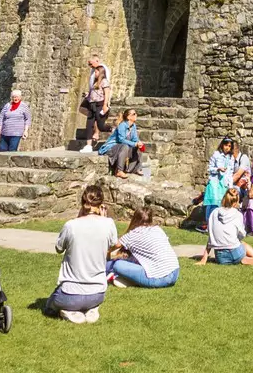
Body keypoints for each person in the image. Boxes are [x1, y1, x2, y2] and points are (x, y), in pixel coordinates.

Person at [48, 183, 117, 323]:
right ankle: (90, 308)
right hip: (98, 293)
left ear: (82, 203)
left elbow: (59, 248)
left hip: (70, 293)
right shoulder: (109, 223)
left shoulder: (71, 225)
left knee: (48, 306)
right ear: (101, 204)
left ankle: (71, 310)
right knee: (86, 300)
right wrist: (104, 219)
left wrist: (78, 217)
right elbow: (112, 244)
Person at [108, 206, 181, 289]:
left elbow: (116, 245)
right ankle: (132, 280)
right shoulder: (158, 229)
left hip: (159, 278)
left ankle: (126, 279)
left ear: (135, 219)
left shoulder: (133, 234)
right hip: (175, 272)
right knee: (132, 260)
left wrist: (107, 254)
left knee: (118, 265)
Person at [198, 187, 253, 265]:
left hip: (220, 257)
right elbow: (242, 234)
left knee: (233, 247)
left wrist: (204, 258)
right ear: (237, 201)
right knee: (243, 244)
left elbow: (211, 236)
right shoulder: (237, 214)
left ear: (224, 198)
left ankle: (243, 259)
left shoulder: (214, 213)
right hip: (235, 251)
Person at [79, 54, 112, 148]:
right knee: (89, 122)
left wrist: (106, 103)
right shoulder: (93, 71)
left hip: (100, 101)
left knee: (100, 123)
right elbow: (93, 86)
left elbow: (105, 88)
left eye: (91, 63)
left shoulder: (102, 70)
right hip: (92, 101)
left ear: (96, 61)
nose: (90, 66)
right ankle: (88, 145)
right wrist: (89, 93)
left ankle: (99, 132)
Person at [96, 108, 141, 177]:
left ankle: (133, 169)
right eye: (134, 114)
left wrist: (138, 142)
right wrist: (134, 143)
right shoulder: (122, 125)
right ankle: (119, 171)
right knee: (125, 146)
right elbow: (121, 140)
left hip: (122, 147)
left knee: (138, 148)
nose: (136, 115)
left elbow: (135, 138)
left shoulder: (133, 126)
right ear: (129, 117)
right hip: (111, 148)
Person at [0, 88, 31, 153]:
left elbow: (28, 119)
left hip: (16, 133)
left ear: (20, 97)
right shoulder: (7, 105)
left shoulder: (24, 106)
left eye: (17, 97)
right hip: (4, 132)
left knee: (12, 151)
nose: (15, 98)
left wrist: (26, 131)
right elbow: (1, 117)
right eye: (14, 97)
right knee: (2, 151)